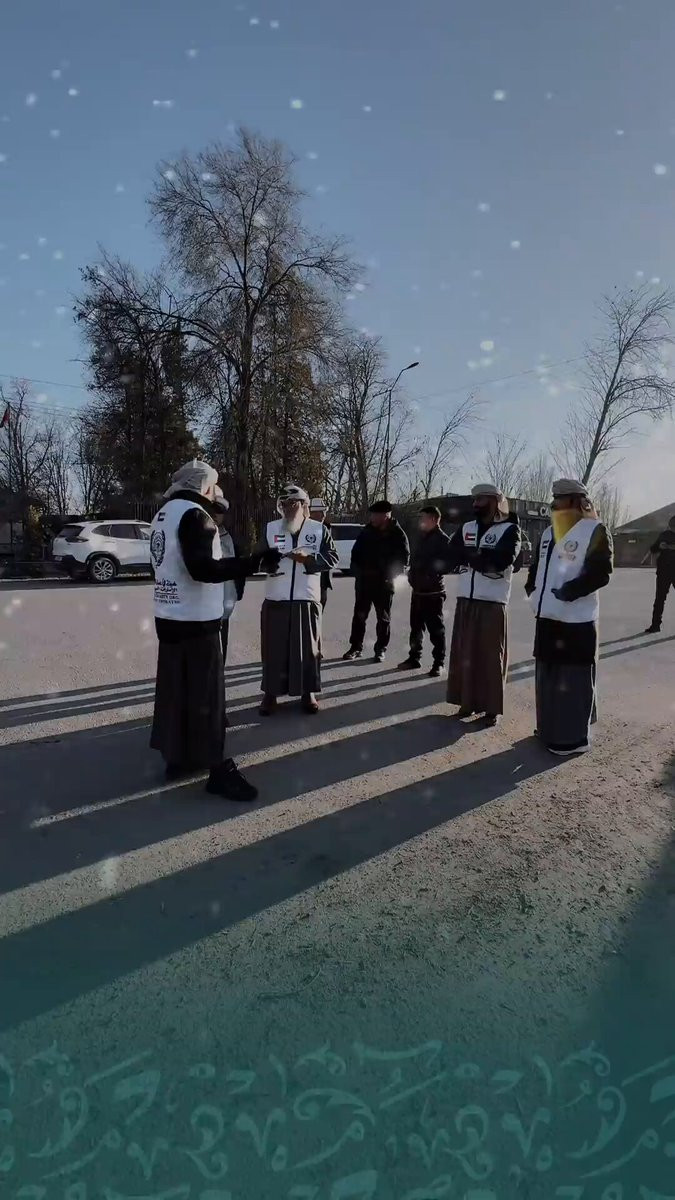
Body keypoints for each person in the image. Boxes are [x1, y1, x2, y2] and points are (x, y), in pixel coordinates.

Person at [149, 459, 280, 799]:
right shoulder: (196, 515)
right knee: (207, 697)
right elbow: (204, 569)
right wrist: (253, 563)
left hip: (169, 616)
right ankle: (218, 770)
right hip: (197, 621)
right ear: (206, 486)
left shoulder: (163, 514)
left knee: (177, 691)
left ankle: (179, 757)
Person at [525, 478, 613, 756]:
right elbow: (537, 567)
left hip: (576, 622)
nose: (554, 504)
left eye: (560, 499)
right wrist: (531, 590)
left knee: (571, 682)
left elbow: (601, 573)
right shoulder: (548, 532)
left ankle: (571, 740)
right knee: (548, 678)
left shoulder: (595, 530)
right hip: (546, 617)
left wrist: (570, 591)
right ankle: (548, 731)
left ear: (577, 502)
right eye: (554, 499)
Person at [259, 483, 339, 715]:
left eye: (292, 504)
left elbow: (332, 558)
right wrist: (269, 562)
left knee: (308, 649)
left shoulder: (318, 529)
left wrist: (307, 560)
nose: (288, 508)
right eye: (284, 504)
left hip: (306, 598)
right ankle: (270, 694)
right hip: (277, 598)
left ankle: (308, 692)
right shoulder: (271, 528)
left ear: (304, 505)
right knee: (274, 650)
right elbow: (258, 557)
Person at [446, 483, 521, 726]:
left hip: (492, 602)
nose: (475, 504)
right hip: (465, 600)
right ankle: (467, 703)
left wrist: (469, 557)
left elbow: (500, 561)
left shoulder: (510, 530)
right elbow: (451, 555)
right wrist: (476, 558)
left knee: (490, 658)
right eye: (475, 499)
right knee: (465, 656)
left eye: (481, 499)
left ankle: (491, 709)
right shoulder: (467, 527)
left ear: (495, 502)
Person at [343, 500, 410, 663]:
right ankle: (355, 647)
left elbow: (404, 558)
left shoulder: (397, 533)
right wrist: (357, 572)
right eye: (372, 515)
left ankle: (380, 649)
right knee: (359, 616)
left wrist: (388, 574)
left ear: (385, 516)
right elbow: (355, 554)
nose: (371, 518)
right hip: (364, 581)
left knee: (383, 618)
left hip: (384, 583)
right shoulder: (367, 531)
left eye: (375, 515)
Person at [398, 505, 451, 677]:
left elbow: (448, 565)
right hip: (418, 591)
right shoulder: (421, 537)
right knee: (416, 628)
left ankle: (439, 663)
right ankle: (414, 658)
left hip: (433, 592)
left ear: (434, 519)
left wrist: (430, 573)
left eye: (423, 518)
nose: (420, 521)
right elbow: (414, 561)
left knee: (436, 629)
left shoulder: (443, 540)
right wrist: (412, 575)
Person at [643, 514, 675, 633]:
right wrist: (660, 547)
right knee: (660, 599)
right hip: (664, 571)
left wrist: (670, 547)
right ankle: (655, 624)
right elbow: (653, 549)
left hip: (669, 570)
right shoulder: (664, 535)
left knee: (660, 599)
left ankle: (655, 625)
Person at [309, 497, 332, 610]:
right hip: (309, 578)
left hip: (323, 578)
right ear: (312, 514)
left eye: (324, 512)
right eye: (321, 512)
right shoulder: (305, 529)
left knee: (321, 604)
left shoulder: (326, 529)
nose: (323, 515)